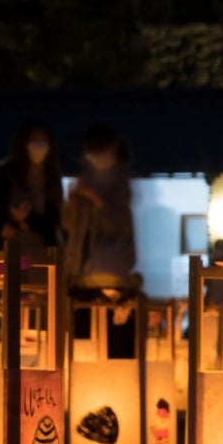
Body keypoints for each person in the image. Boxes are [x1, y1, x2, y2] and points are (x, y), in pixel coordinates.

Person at [64, 123, 142, 357]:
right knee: (83, 340)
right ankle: (87, 384)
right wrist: (73, 201)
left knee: (117, 342)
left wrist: (96, 201)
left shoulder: (122, 180)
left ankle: (117, 383)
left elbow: (119, 226)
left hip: (114, 273)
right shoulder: (85, 177)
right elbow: (69, 224)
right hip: (82, 270)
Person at [0, 121, 63, 252]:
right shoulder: (3, 173)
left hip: (40, 249)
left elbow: (56, 217)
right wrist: (0, 227)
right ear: (24, 143)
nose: (39, 144)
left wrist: (28, 218)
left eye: (44, 140)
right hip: (4, 248)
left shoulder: (52, 176)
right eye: (34, 139)